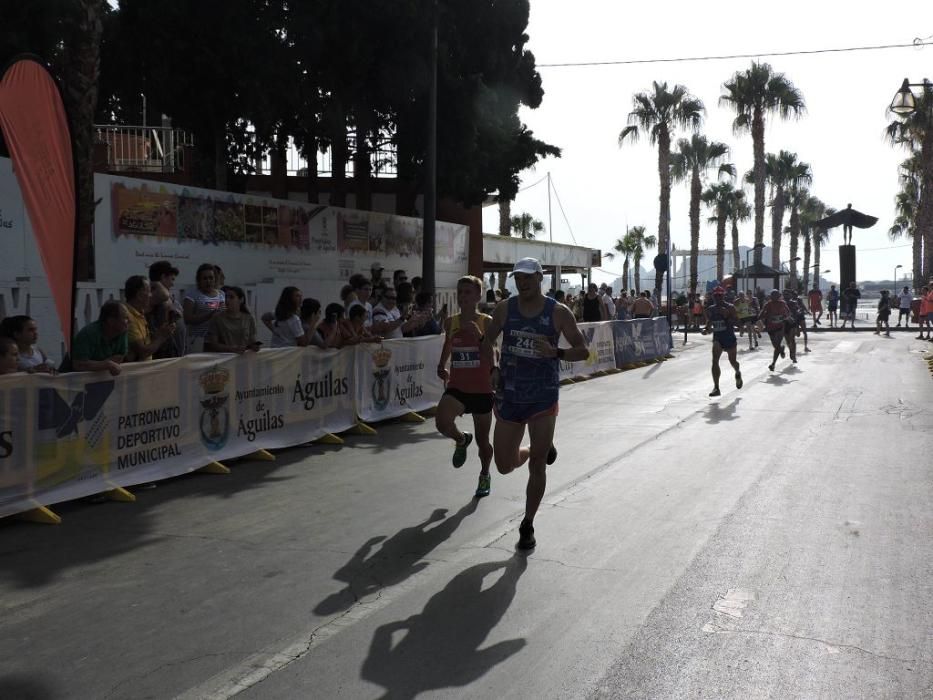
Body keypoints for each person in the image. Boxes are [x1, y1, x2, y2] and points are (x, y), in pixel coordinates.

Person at [480, 258, 590, 550]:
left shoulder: (559, 312)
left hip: (543, 397)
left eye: (528, 277)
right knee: (503, 465)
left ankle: (528, 523)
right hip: (510, 396)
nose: (523, 282)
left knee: (539, 465)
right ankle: (531, 450)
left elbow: (582, 351)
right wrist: (493, 368)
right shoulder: (505, 309)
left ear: (540, 278)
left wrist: (556, 352)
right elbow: (486, 342)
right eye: (518, 277)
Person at [436, 276, 495, 498]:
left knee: (483, 443)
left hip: (482, 389)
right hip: (458, 387)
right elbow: (448, 344)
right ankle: (461, 439)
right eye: (460, 292)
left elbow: (492, 356)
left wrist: (479, 337)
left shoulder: (486, 322)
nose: (463, 297)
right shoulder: (451, 322)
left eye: (468, 292)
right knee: (442, 422)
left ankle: (485, 474)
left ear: (478, 296)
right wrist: (442, 365)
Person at [123, 275, 176, 362]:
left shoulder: (139, 312)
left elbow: (146, 343)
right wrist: (162, 337)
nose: (151, 295)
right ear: (139, 295)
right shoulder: (127, 317)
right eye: (149, 291)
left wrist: (160, 333)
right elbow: (143, 352)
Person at [701, 286, 742, 397]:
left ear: (724, 296)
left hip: (729, 337)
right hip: (718, 338)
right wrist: (706, 329)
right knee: (715, 360)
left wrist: (728, 315)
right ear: (713, 296)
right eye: (716, 295)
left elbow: (738, 322)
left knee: (733, 361)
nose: (718, 297)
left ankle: (737, 372)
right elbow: (709, 323)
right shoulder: (710, 309)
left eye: (720, 295)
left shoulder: (730, 307)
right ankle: (716, 388)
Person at [71, 300, 128, 376]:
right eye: (125, 318)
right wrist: (107, 364)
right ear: (111, 321)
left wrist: (96, 364)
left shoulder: (122, 332)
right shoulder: (88, 334)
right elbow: (78, 365)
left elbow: (120, 357)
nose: (129, 321)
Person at [148, 260, 187, 358]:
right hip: (163, 354)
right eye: (172, 279)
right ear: (163, 277)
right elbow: (163, 295)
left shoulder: (171, 299)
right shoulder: (153, 298)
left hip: (176, 352)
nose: (173, 284)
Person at [205, 285, 260, 353]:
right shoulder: (217, 318)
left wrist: (256, 345)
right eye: (226, 297)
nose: (227, 300)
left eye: (231, 297)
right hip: (224, 359)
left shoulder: (248, 318)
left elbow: (252, 340)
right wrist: (231, 348)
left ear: (241, 300)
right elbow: (214, 344)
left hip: (244, 359)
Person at [183, 263, 225, 353]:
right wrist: (209, 315)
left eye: (211, 278)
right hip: (198, 340)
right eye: (205, 278)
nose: (208, 281)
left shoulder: (221, 294)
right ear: (199, 280)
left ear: (215, 279)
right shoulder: (192, 295)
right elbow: (187, 319)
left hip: (217, 341)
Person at [758, 289, 793, 372]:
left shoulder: (782, 303)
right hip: (770, 327)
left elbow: (788, 312)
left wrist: (785, 317)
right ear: (771, 296)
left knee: (776, 346)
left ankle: (773, 364)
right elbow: (762, 312)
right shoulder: (768, 304)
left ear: (779, 296)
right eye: (773, 295)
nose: (775, 297)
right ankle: (781, 349)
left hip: (780, 326)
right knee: (776, 346)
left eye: (776, 295)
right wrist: (760, 317)